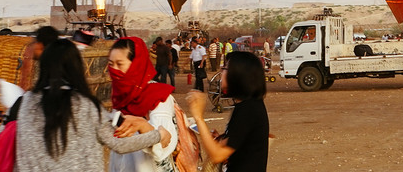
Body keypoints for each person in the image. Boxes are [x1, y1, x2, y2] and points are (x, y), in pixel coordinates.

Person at [15, 39, 167, 172]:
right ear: (75, 67)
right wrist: (158, 135)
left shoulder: (26, 102)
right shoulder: (85, 105)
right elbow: (119, 144)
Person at [187, 50, 269, 172]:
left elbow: (217, 155)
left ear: (237, 76)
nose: (221, 72)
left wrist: (198, 117)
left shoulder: (249, 110)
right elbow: (229, 144)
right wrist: (219, 138)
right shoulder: (246, 106)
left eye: (224, 68)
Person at [107, 37, 179, 172]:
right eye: (111, 64)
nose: (114, 70)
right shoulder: (120, 97)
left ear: (136, 64)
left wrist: (142, 125)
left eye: (120, 64)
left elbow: (164, 146)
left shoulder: (157, 98)